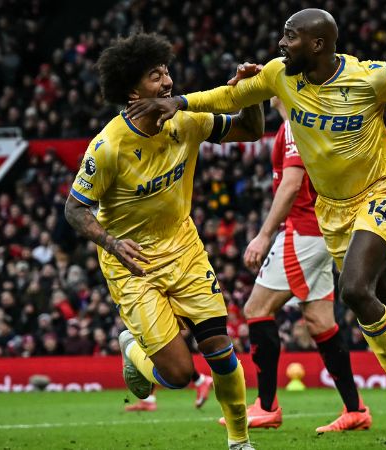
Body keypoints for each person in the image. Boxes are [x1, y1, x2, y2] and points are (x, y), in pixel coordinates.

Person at [126, 9, 386, 450]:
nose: (281, 44)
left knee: (355, 290)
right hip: (333, 211)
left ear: (318, 44)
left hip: (382, 195)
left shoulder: (371, 77)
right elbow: (230, 99)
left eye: (290, 36)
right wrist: (182, 102)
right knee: (382, 296)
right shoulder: (279, 77)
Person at [64, 33, 264, 450]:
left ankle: (240, 442)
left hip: (184, 249)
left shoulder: (185, 119)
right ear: (133, 90)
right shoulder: (107, 147)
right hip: (133, 264)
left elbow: (250, 130)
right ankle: (132, 350)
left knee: (220, 349)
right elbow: (75, 210)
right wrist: (111, 243)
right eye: (156, 76)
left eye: (167, 71)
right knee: (179, 375)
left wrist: (250, 92)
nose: (168, 81)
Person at [221, 97, 371, 432]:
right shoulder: (311, 123)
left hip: (302, 232)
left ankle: (266, 405)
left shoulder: (293, 126)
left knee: (256, 308)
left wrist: (262, 235)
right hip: (321, 232)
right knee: (320, 321)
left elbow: (290, 184)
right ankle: (355, 409)